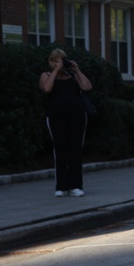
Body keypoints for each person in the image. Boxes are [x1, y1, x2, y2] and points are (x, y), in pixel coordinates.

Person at [39, 48, 93, 197]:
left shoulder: (72, 75)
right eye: (56, 60)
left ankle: (76, 185)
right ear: (51, 62)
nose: (60, 63)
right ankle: (61, 186)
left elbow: (87, 87)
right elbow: (47, 88)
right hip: (56, 118)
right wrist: (56, 71)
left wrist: (77, 70)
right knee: (60, 150)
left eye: (62, 60)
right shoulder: (46, 75)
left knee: (75, 150)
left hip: (77, 117)